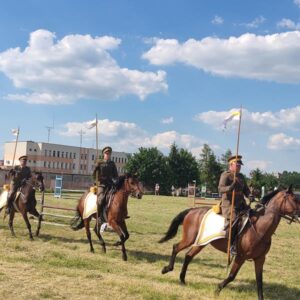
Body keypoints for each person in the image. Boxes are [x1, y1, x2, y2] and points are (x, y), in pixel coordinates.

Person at [218, 155, 251, 255]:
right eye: (237, 165)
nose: (239, 167)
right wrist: (231, 187)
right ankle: (232, 245)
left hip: (241, 204)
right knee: (234, 220)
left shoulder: (241, 176)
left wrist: (250, 196)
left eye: (240, 165)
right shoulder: (226, 175)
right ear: (231, 165)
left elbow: (246, 190)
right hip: (229, 204)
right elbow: (220, 189)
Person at [93, 146, 118, 222]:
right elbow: (94, 175)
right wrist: (96, 168)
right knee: (101, 199)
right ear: (103, 154)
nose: (108, 155)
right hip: (102, 185)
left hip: (110, 185)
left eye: (109, 153)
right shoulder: (100, 163)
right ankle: (99, 216)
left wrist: (115, 181)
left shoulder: (112, 163)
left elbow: (115, 175)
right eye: (106, 153)